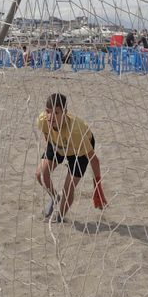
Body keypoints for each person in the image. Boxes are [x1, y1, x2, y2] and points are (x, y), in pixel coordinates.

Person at [35, 93, 104, 223]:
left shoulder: (76, 131)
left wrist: (98, 188)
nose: (51, 116)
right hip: (58, 144)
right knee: (40, 175)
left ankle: (60, 218)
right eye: (48, 111)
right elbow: (47, 136)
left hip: (78, 150)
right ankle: (55, 197)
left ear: (64, 112)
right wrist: (54, 155)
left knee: (68, 188)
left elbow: (94, 160)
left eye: (56, 112)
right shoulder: (42, 121)